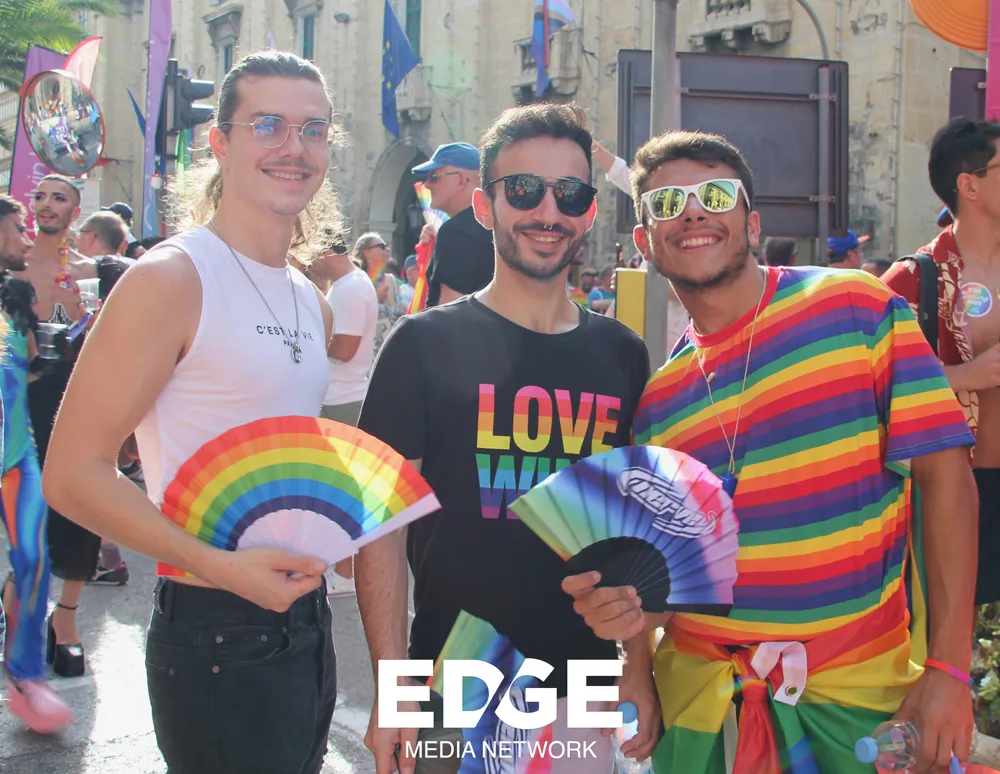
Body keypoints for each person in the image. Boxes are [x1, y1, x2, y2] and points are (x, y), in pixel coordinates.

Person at [564, 130, 978, 774]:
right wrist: (633, 652)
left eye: (715, 195)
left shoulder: (857, 308)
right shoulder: (658, 403)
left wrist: (949, 668)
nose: (693, 213)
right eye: (668, 204)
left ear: (751, 223)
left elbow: (946, 477)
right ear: (645, 241)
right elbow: (658, 578)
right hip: (705, 711)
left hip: (861, 703)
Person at [42, 51, 341, 774]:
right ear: (219, 141)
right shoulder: (173, 277)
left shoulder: (312, 300)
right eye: (267, 124)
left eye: (313, 129)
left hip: (306, 624)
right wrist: (222, 567)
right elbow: (72, 473)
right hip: (215, 633)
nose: (294, 147)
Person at [355, 103, 654, 774]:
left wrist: (638, 665)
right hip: (454, 683)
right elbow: (381, 529)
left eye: (569, 193)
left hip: (584, 688)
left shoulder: (622, 354)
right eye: (523, 190)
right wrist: (392, 694)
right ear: (484, 207)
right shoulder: (422, 344)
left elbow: (632, 526)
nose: (547, 211)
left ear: (588, 212)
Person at [882, 118, 1000, 607]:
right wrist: (959, 376)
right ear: (969, 185)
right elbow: (867, 386)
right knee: (950, 628)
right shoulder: (913, 280)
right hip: (954, 493)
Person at [0, 195, 74, 733]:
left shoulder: (15, 297)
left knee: (34, 557)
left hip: (16, 455)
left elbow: (30, 364)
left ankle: (27, 676)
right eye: (18, 227)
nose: (28, 238)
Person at [20, 173, 99, 676]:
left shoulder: (92, 273)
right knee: (24, 508)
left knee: (80, 505)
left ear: (75, 210)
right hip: (20, 403)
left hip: (77, 401)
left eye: (59, 197)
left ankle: (65, 619)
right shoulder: (12, 263)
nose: (47, 204)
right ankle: (18, 605)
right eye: (41, 196)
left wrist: (92, 315)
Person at [413, 142, 495, 307]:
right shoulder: (498, 224)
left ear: (461, 180)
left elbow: (450, 313)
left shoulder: (455, 232)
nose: (427, 184)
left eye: (434, 177)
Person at [319, 231, 378, 426]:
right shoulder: (345, 284)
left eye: (309, 257)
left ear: (326, 252)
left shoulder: (352, 287)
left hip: (342, 402)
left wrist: (311, 333)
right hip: (339, 399)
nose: (308, 266)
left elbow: (344, 351)